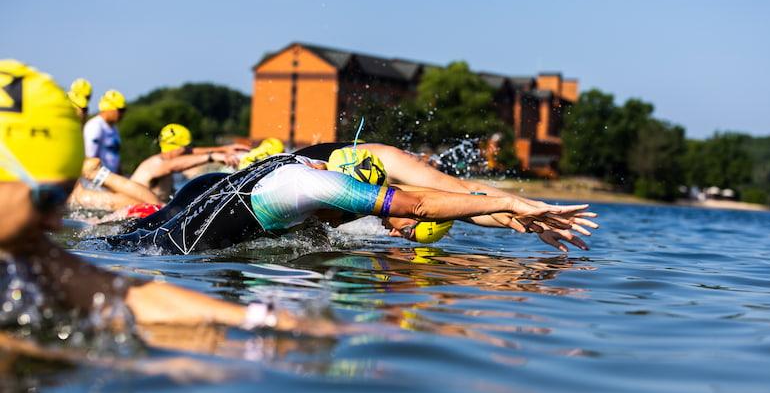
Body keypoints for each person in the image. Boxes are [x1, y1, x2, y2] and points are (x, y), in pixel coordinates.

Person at [0, 60, 300, 334]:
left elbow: (130, 297)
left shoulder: (24, 255)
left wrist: (267, 320)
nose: (56, 222)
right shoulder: (152, 162)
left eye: (62, 199)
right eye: (47, 198)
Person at [105, 144, 597, 255]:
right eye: (358, 211)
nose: (350, 222)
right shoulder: (317, 188)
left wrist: (510, 214)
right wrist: (512, 204)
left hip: (194, 210)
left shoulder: (316, 169)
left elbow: (428, 197)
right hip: (163, 251)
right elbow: (418, 205)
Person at [126, 123, 249, 202]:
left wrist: (224, 149)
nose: (189, 152)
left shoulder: (167, 157)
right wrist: (211, 157)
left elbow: (192, 152)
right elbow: (172, 166)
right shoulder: (156, 163)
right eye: (185, 148)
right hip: (132, 213)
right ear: (176, 147)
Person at [84, 89, 126, 173]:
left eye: (124, 110)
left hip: (110, 177)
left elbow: (115, 157)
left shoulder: (114, 128)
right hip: (97, 179)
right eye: (120, 110)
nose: (122, 114)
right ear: (109, 108)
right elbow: (89, 158)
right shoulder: (95, 126)